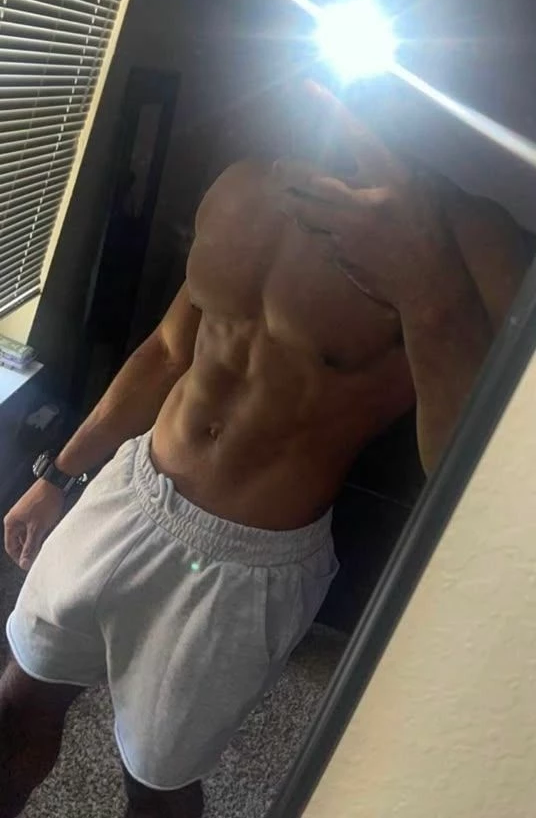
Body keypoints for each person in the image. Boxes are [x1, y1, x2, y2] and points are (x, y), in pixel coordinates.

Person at [0, 87, 529, 818]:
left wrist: (427, 291)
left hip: (246, 567)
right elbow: (168, 351)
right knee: (15, 703)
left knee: (156, 782)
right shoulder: (246, 179)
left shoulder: (476, 242)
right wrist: (58, 475)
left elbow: (473, 480)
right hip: (130, 493)